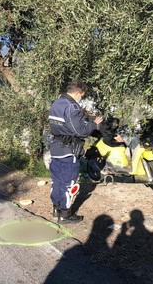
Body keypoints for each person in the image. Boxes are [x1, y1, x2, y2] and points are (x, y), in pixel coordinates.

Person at [48, 79, 103, 223]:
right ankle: (65, 215)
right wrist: (94, 124)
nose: (81, 98)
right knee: (68, 182)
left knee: (57, 180)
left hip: (56, 148)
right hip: (69, 150)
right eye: (82, 95)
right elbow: (81, 131)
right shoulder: (72, 107)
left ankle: (56, 208)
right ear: (78, 92)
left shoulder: (56, 103)